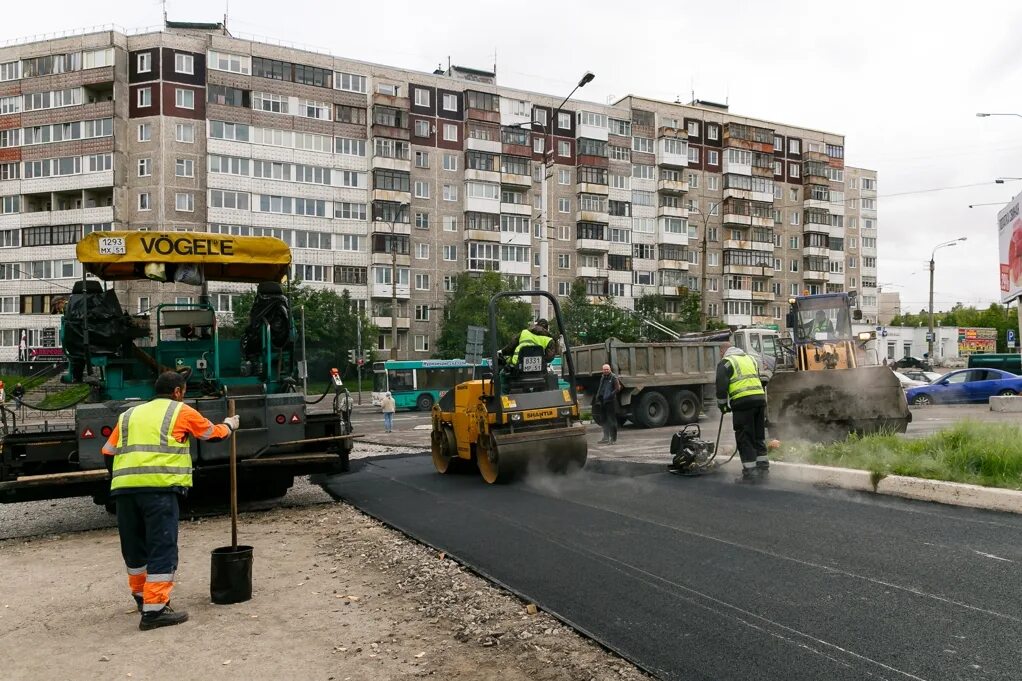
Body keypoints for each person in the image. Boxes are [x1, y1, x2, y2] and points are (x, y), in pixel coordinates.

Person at [101, 371, 240, 630]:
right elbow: (212, 434)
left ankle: (143, 599)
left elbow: (108, 452)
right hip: (159, 491)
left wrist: (120, 478)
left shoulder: (129, 415)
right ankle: (154, 612)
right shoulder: (180, 411)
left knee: (135, 549)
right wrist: (231, 424)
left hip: (124, 491)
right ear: (177, 391)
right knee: (162, 547)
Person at [716, 343, 768, 483]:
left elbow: (721, 386)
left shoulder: (726, 363)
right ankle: (763, 470)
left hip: (743, 403)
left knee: (745, 437)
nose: (720, 355)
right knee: (758, 437)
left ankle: (750, 473)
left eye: (720, 352)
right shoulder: (750, 359)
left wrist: (722, 405)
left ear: (723, 351)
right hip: (759, 400)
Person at [594, 364, 621, 445]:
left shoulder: (613, 377)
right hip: (602, 401)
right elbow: (600, 387)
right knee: (604, 420)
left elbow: (618, 388)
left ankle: (613, 439)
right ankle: (605, 438)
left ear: (610, 369)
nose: (606, 371)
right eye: (604, 369)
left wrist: (610, 395)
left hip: (610, 402)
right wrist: (598, 397)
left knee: (611, 420)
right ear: (602, 370)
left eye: (607, 369)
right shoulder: (603, 377)